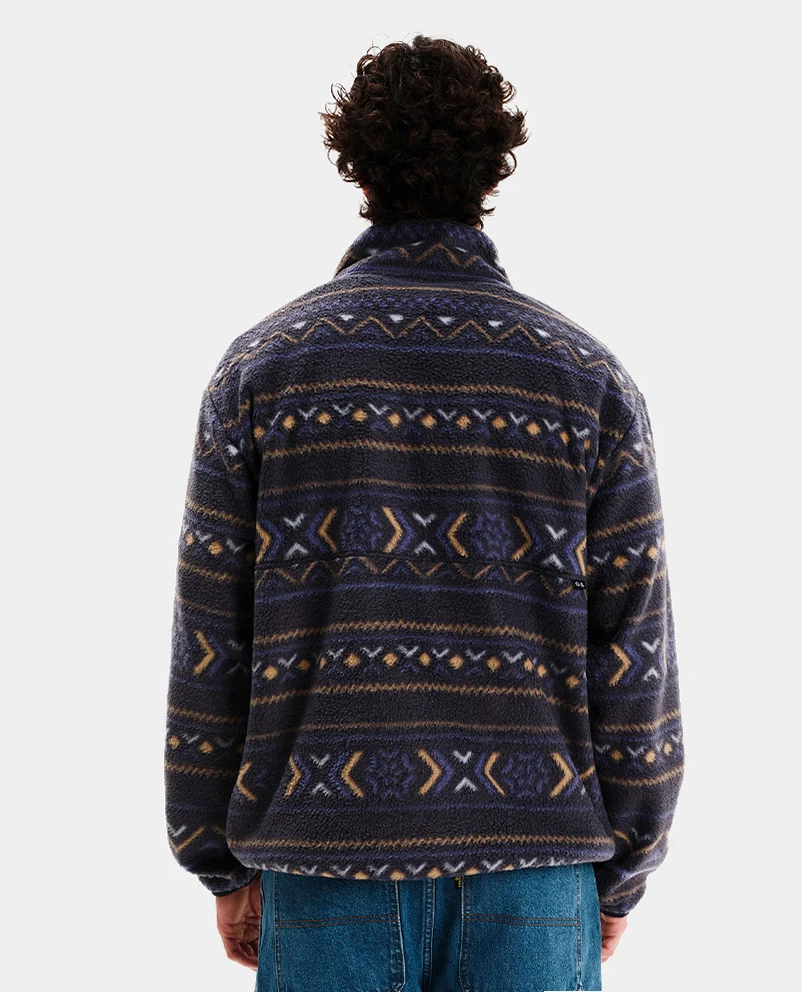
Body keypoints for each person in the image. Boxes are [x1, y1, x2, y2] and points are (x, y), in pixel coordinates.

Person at [163, 33, 684, 991]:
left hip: (323, 863)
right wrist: (621, 876)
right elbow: (633, 650)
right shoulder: (588, 383)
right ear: (493, 172)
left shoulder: (262, 373)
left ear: (358, 171)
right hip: (536, 869)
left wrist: (216, 861)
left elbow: (213, 641)